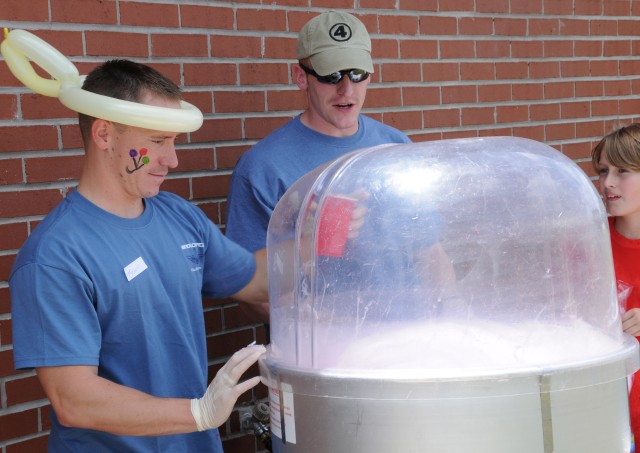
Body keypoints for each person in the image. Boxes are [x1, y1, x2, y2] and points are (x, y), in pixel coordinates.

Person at [9, 59, 269, 452]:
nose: (173, 159)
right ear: (104, 134)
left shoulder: (178, 216)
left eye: (174, 141)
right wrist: (198, 413)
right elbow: (73, 399)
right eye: (158, 142)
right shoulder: (55, 254)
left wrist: (321, 236)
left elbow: (255, 278)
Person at [226, 10, 411, 322]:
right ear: (301, 77)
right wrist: (316, 333)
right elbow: (246, 287)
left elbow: (429, 251)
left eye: (357, 74)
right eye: (330, 76)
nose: (346, 90)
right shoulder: (263, 167)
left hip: (400, 337)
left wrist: (451, 309)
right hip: (320, 353)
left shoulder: (397, 146)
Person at [591, 122, 640, 448]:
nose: (608, 182)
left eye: (622, 171)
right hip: (603, 412)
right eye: (603, 170)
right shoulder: (588, 240)